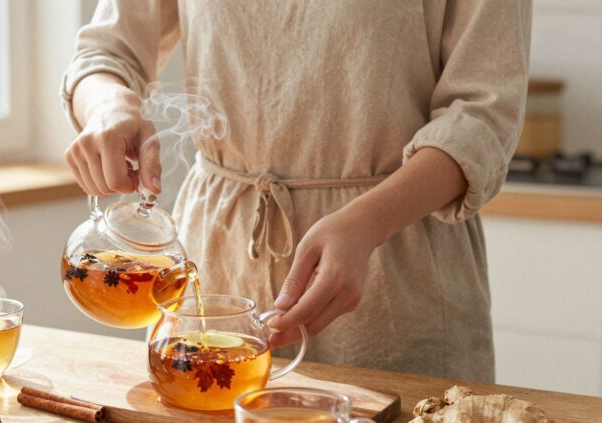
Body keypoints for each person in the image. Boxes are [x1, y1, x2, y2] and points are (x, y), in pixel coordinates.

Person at [61, 1, 532, 383]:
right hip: (219, 259)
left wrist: (369, 222)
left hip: (395, 263)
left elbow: (481, 116)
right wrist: (107, 104)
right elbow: (106, 53)